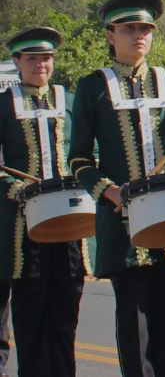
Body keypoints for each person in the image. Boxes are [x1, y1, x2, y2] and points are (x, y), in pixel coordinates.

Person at [68, 0, 165, 377]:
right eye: (129, 28)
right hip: (122, 223)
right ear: (110, 34)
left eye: (145, 29)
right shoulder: (91, 86)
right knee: (134, 323)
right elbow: (78, 158)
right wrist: (108, 191)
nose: (139, 35)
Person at [0, 27, 87, 377]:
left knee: (66, 309)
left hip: (69, 223)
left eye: (46, 58)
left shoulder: (71, 101)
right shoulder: (4, 104)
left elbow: (88, 150)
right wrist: (16, 189)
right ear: (17, 62)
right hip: (24, 227)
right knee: (31, 309)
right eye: (32, 58)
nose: (40, 65)